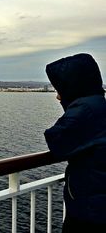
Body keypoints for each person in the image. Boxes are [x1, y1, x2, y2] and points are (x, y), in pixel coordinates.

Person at [44, 53, 106, 233]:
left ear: (72, 86)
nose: (57, 97)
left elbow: (56, 141)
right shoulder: (99, 104)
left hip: (91, 213)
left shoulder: (84, 111)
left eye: (59, 90)